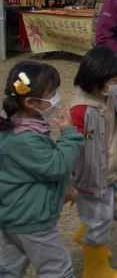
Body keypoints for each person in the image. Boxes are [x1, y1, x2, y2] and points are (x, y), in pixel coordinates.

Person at [0, 61, 83, 278]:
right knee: (57, 269)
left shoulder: (16, 124)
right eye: (52, 94)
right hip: (32, 219)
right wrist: (69, 134)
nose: (56, 98)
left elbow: (39, 169)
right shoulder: (24, 138)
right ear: (30, 102)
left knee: (8, 268)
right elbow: (57, 166)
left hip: (14, 214)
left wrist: (66, 188)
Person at [70, 46, 117, 277]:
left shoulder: (113, 98)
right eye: (113, 80)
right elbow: (72, 149)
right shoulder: (80, 111)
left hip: (115, 168)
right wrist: (71, 183)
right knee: (98, 221)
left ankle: (89, 234)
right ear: (96, 79)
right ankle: (96, 269)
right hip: (92, 179)